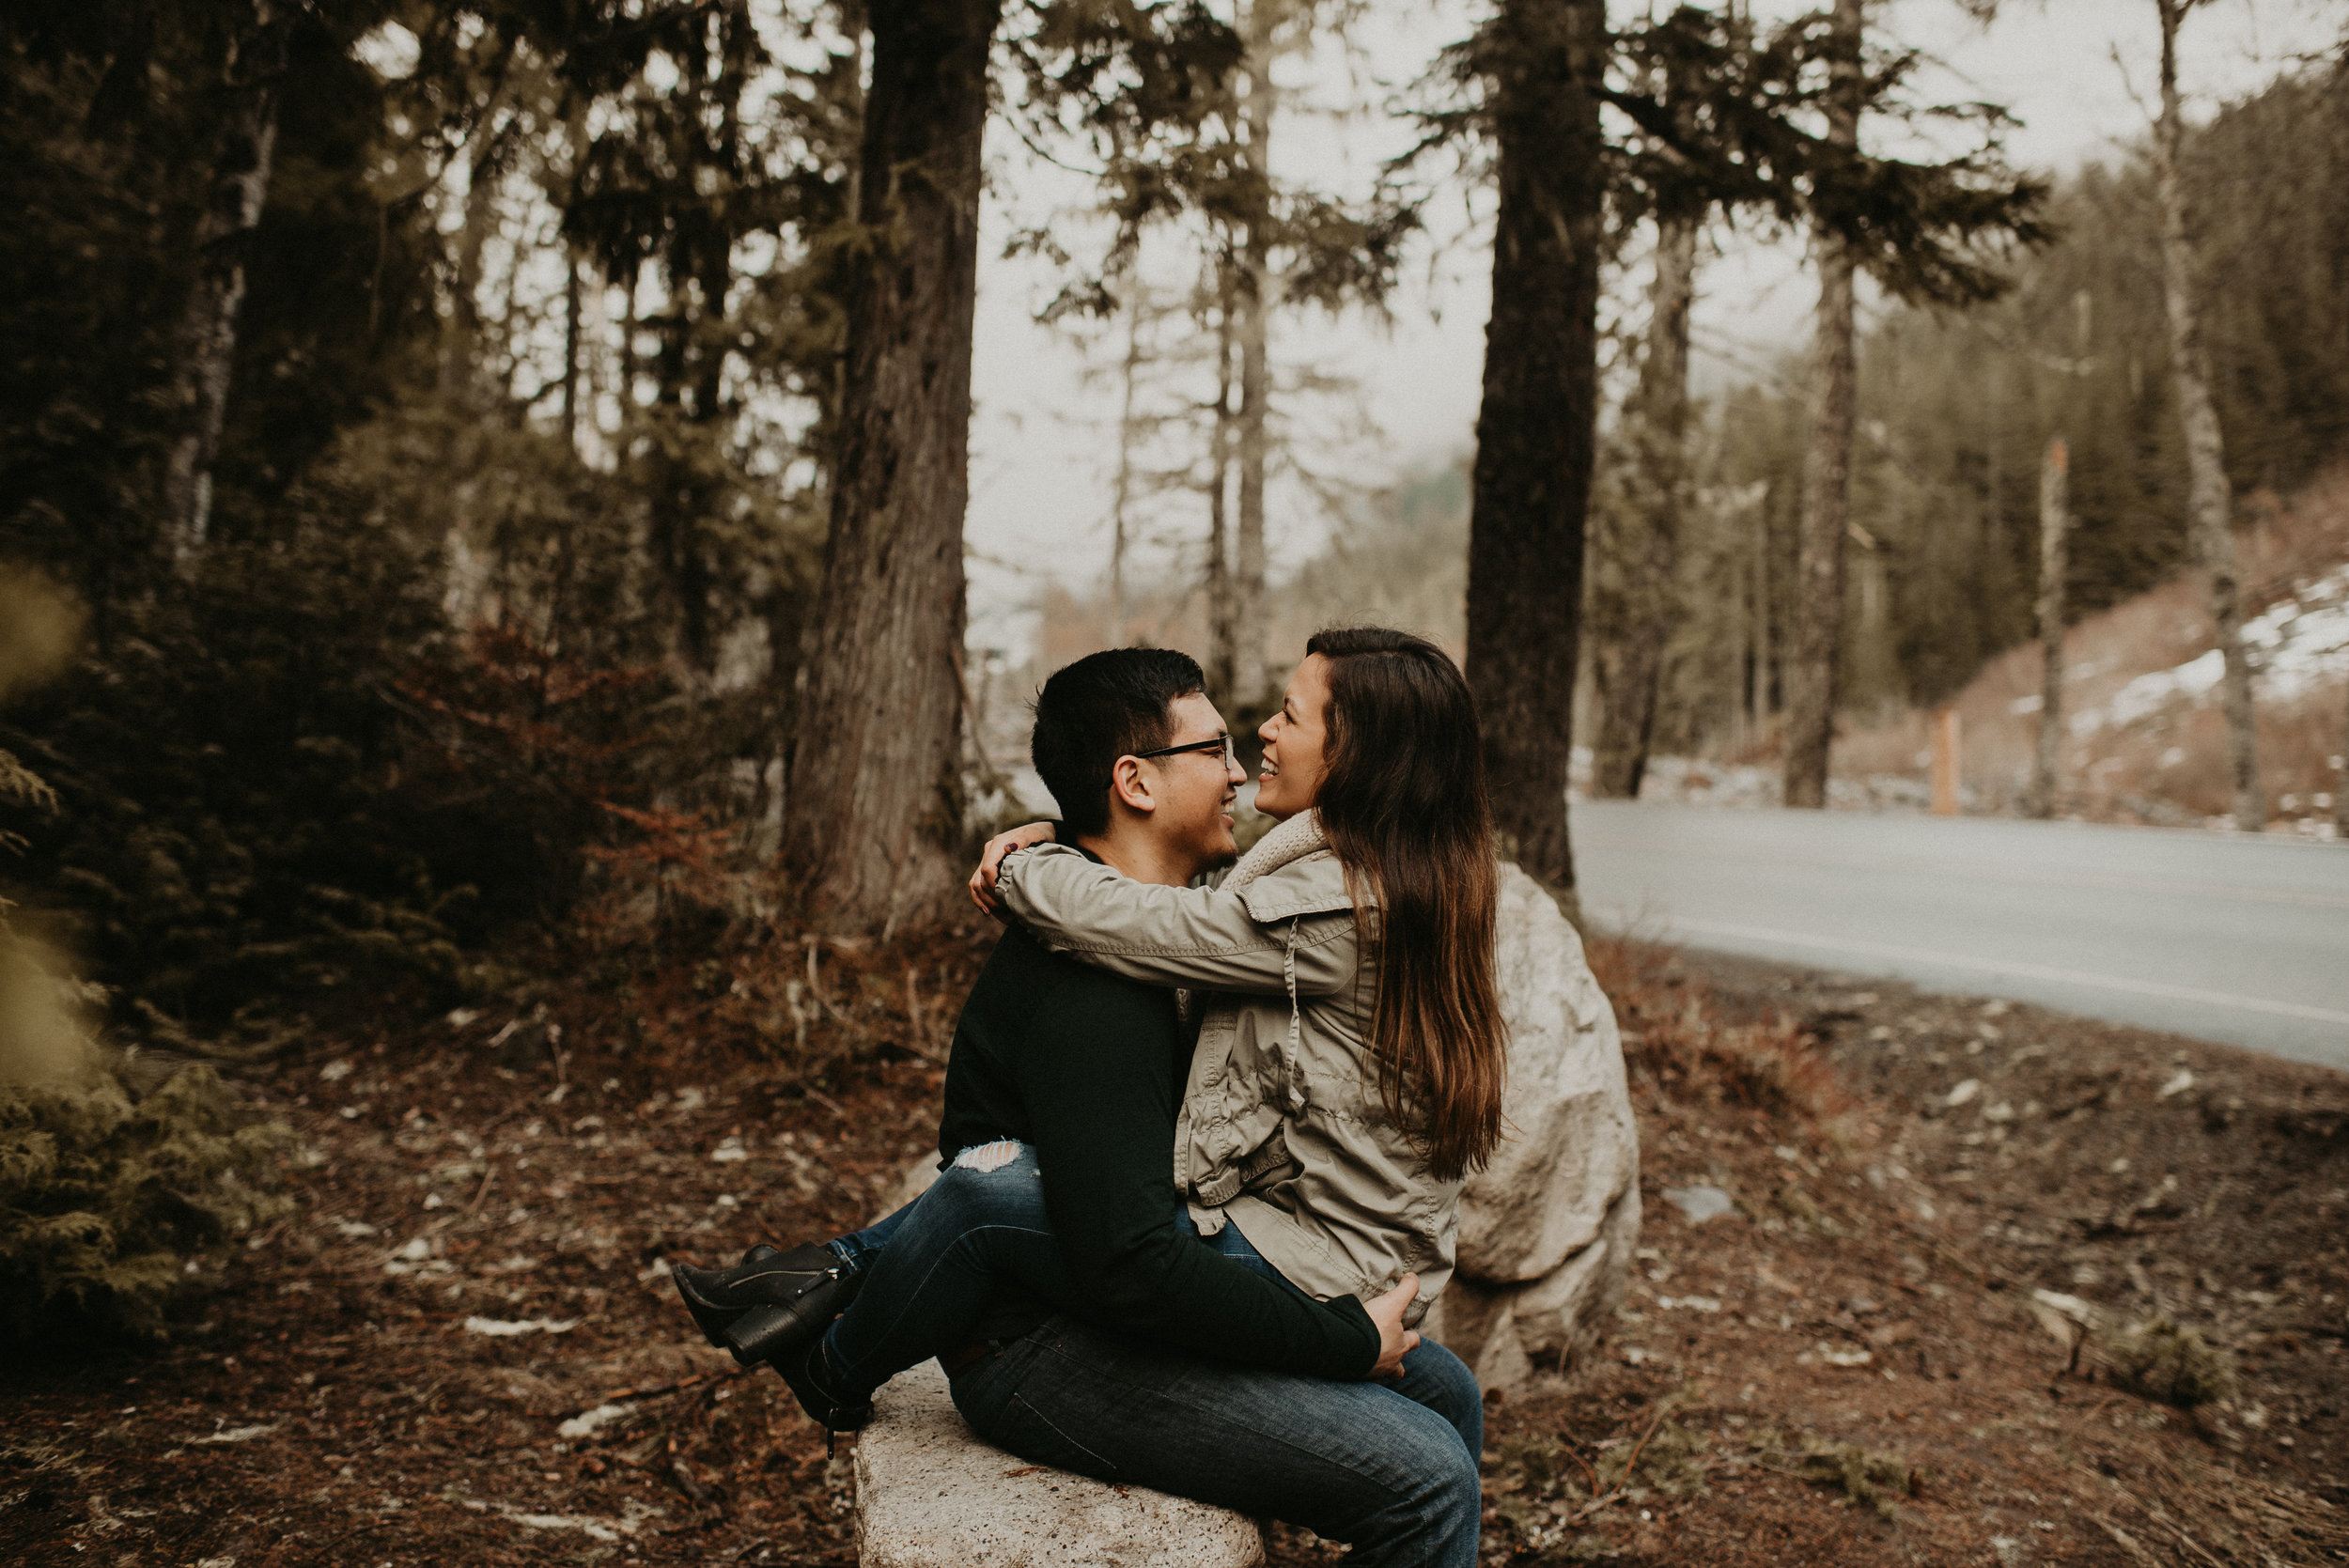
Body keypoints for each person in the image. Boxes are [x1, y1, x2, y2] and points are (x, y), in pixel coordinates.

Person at [676, 632, 1503, 1565]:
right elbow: (1130, 1260)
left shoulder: (1273, 913)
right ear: (1137, 782)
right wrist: (1342, 1340)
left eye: (1279, 719)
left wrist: (1044, 848)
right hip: (1053, 1341)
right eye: (1218, 746)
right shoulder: (1106, 989)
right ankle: (827, 1305)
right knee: (1430, 1472)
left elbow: (1164, 924)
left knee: (1448, 1394)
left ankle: (821, 1274)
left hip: (1144, 1279)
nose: (1242, 761)